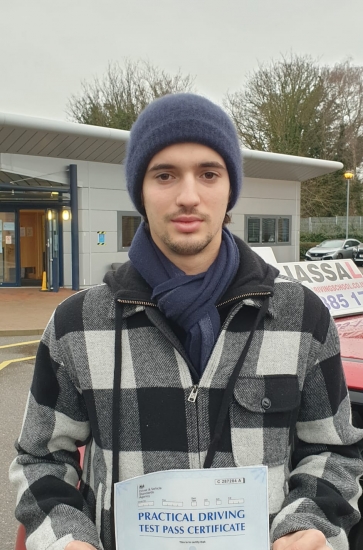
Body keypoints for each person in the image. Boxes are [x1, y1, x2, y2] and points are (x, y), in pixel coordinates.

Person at [10, 93, 363, 550]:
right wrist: (65, 538)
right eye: (165, 175)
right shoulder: (76, 324)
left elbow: (334, 450)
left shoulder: (302, 317)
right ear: (141, 189)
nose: (188, 196)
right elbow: (40, 457)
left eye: (208, 173)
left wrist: (309, 522)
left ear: (229, 188)